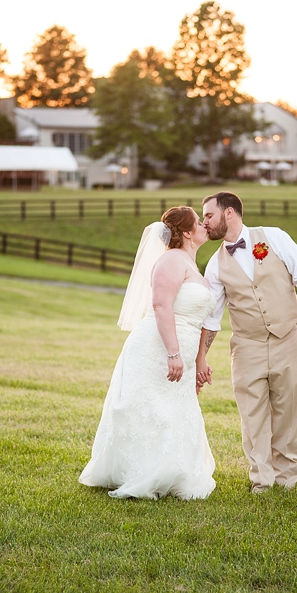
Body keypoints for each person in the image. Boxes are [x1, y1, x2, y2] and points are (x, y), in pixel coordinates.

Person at [79, 207, 217, 500]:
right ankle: (140, 472)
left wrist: (199, 358)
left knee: (173, 411)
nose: (205, 225)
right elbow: (160, 306)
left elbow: (202, 318)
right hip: (158, 347)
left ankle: (172, 470)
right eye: (199, 222)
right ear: (188, 232)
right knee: (150, 408)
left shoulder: (192, 265)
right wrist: (173, 353)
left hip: (184, 350)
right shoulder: (170, 260)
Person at [196, 192, 297, 494]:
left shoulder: (274, 237)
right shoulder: (214, 265)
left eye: (209, 216)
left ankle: (287, 476)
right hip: (246, 347)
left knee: (290, 409)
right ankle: (262, 479)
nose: (205, 222)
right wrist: (201, 357)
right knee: (252, 416)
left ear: (229, 214)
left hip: (288, 340)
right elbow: (212, 318)